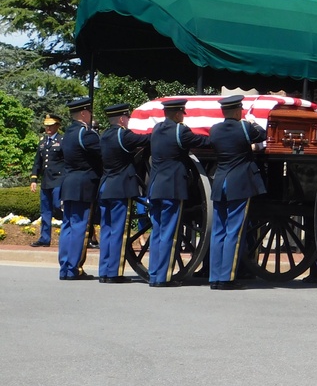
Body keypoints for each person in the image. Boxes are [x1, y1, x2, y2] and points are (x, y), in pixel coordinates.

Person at [147, 98, 209, 287]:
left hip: (155, 186)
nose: (183, 116)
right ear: (177, 114)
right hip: (172, 188)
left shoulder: (156, 130)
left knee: (157, 231)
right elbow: (203, 141)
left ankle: (153, 274)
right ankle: (162, 277)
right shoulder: (180, 131)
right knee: (168, 233)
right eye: (182, 113)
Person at [207, 94, 267, 289]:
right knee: (233, 231)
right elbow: (262, 134)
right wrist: (253, 122)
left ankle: (214, 277)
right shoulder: (244, 127)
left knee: (218, 231)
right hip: (239, 184)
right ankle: (227, 277)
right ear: (236, 111)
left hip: (220, 182)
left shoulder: (214, 130)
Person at [97, 103, 148, 283]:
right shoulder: (123, 135)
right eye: (127, 117)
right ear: (121, 119)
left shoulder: (105, 136)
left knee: (107, 230)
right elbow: (145, 139)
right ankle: (114, 273)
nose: (128, 120)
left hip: (105, 187)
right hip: (119, 188)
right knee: (118, 230)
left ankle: (104, 271)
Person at [58, 96, 102, 280]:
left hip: (68, 183)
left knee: (67, 225)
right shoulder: (85, 134)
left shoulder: (68, 133)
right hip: (83, 185)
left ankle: (65, 268)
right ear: (84, 113)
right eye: (90, 112)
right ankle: (74, 267)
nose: (91, 116)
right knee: (79, 226)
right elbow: (103, 153)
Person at [29, 114, 65, 248]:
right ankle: (45, 238)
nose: (48, 128)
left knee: (58, 207)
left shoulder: (62, 140)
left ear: (57, 126)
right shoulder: (43, 142)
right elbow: (37, 163)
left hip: (58, 180)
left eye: (51, 125)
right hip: (46, 182)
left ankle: (67, 235)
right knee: (45, 211)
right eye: (46, 125)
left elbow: (68, 161)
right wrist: (34, 179)